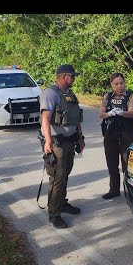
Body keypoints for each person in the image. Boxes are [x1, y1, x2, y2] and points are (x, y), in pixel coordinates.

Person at [39, 64, 85, 229]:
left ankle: (62, 204)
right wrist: (47, 141)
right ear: (65, 76)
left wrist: (80, 138)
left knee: (65, 175)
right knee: (57, 178)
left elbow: (76, 119)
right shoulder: (50, 93)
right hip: (56, 143)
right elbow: (45, 118)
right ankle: (54, 214)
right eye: (73, 76)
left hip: (70, 141)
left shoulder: (70, 94)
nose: (74, 79)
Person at [99, 73, 133, 199]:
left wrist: (122, 112)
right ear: (112, 85)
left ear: (124, 82)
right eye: (116, 84)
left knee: (127, 164)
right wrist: (110, 113)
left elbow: (131, 113)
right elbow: (101, 114)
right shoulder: (107, 96)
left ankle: (130, 192)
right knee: (112, 163)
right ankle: (114, 190)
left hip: (126, 133)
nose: (119, 86)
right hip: (111, 133)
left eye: (121, 83)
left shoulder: (130, 95)